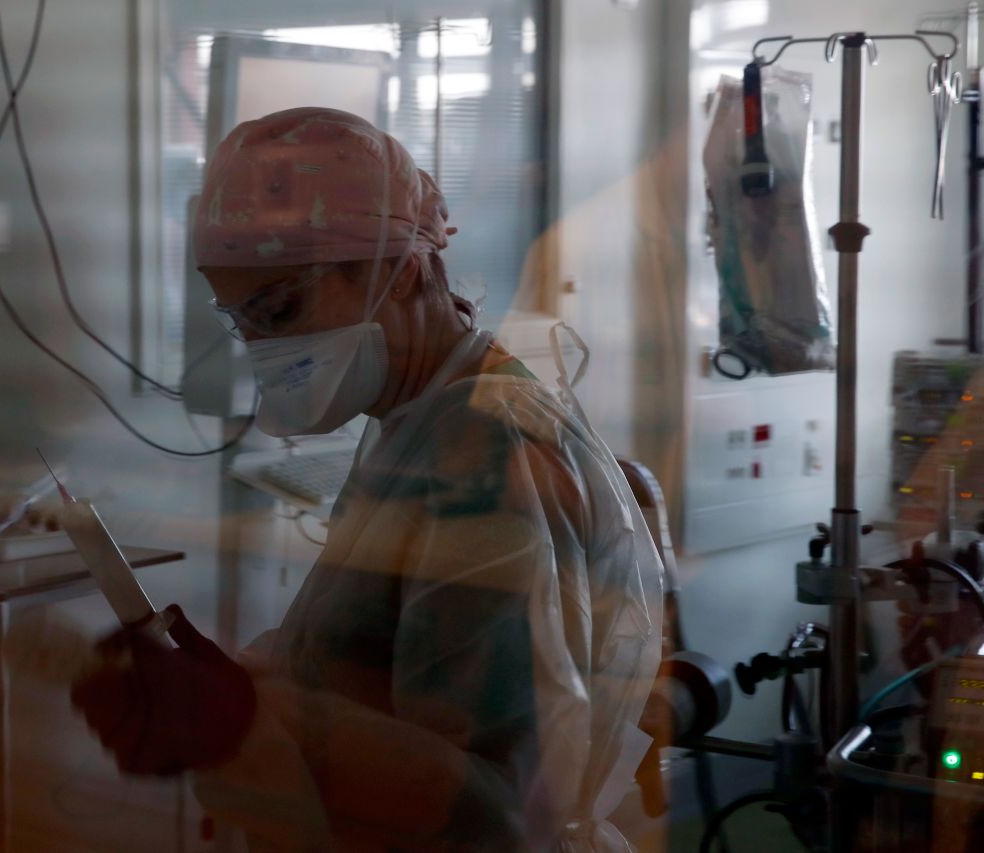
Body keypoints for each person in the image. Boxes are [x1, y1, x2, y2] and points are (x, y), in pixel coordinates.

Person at [71, 107, 664, 851]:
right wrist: (240, 688)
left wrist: (242, 723)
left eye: (280, 308)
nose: (262, 349)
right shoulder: (413, 420)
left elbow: (501, 814)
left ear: (404, 271)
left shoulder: (485, 449)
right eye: (239, 321)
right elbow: (367, 666)